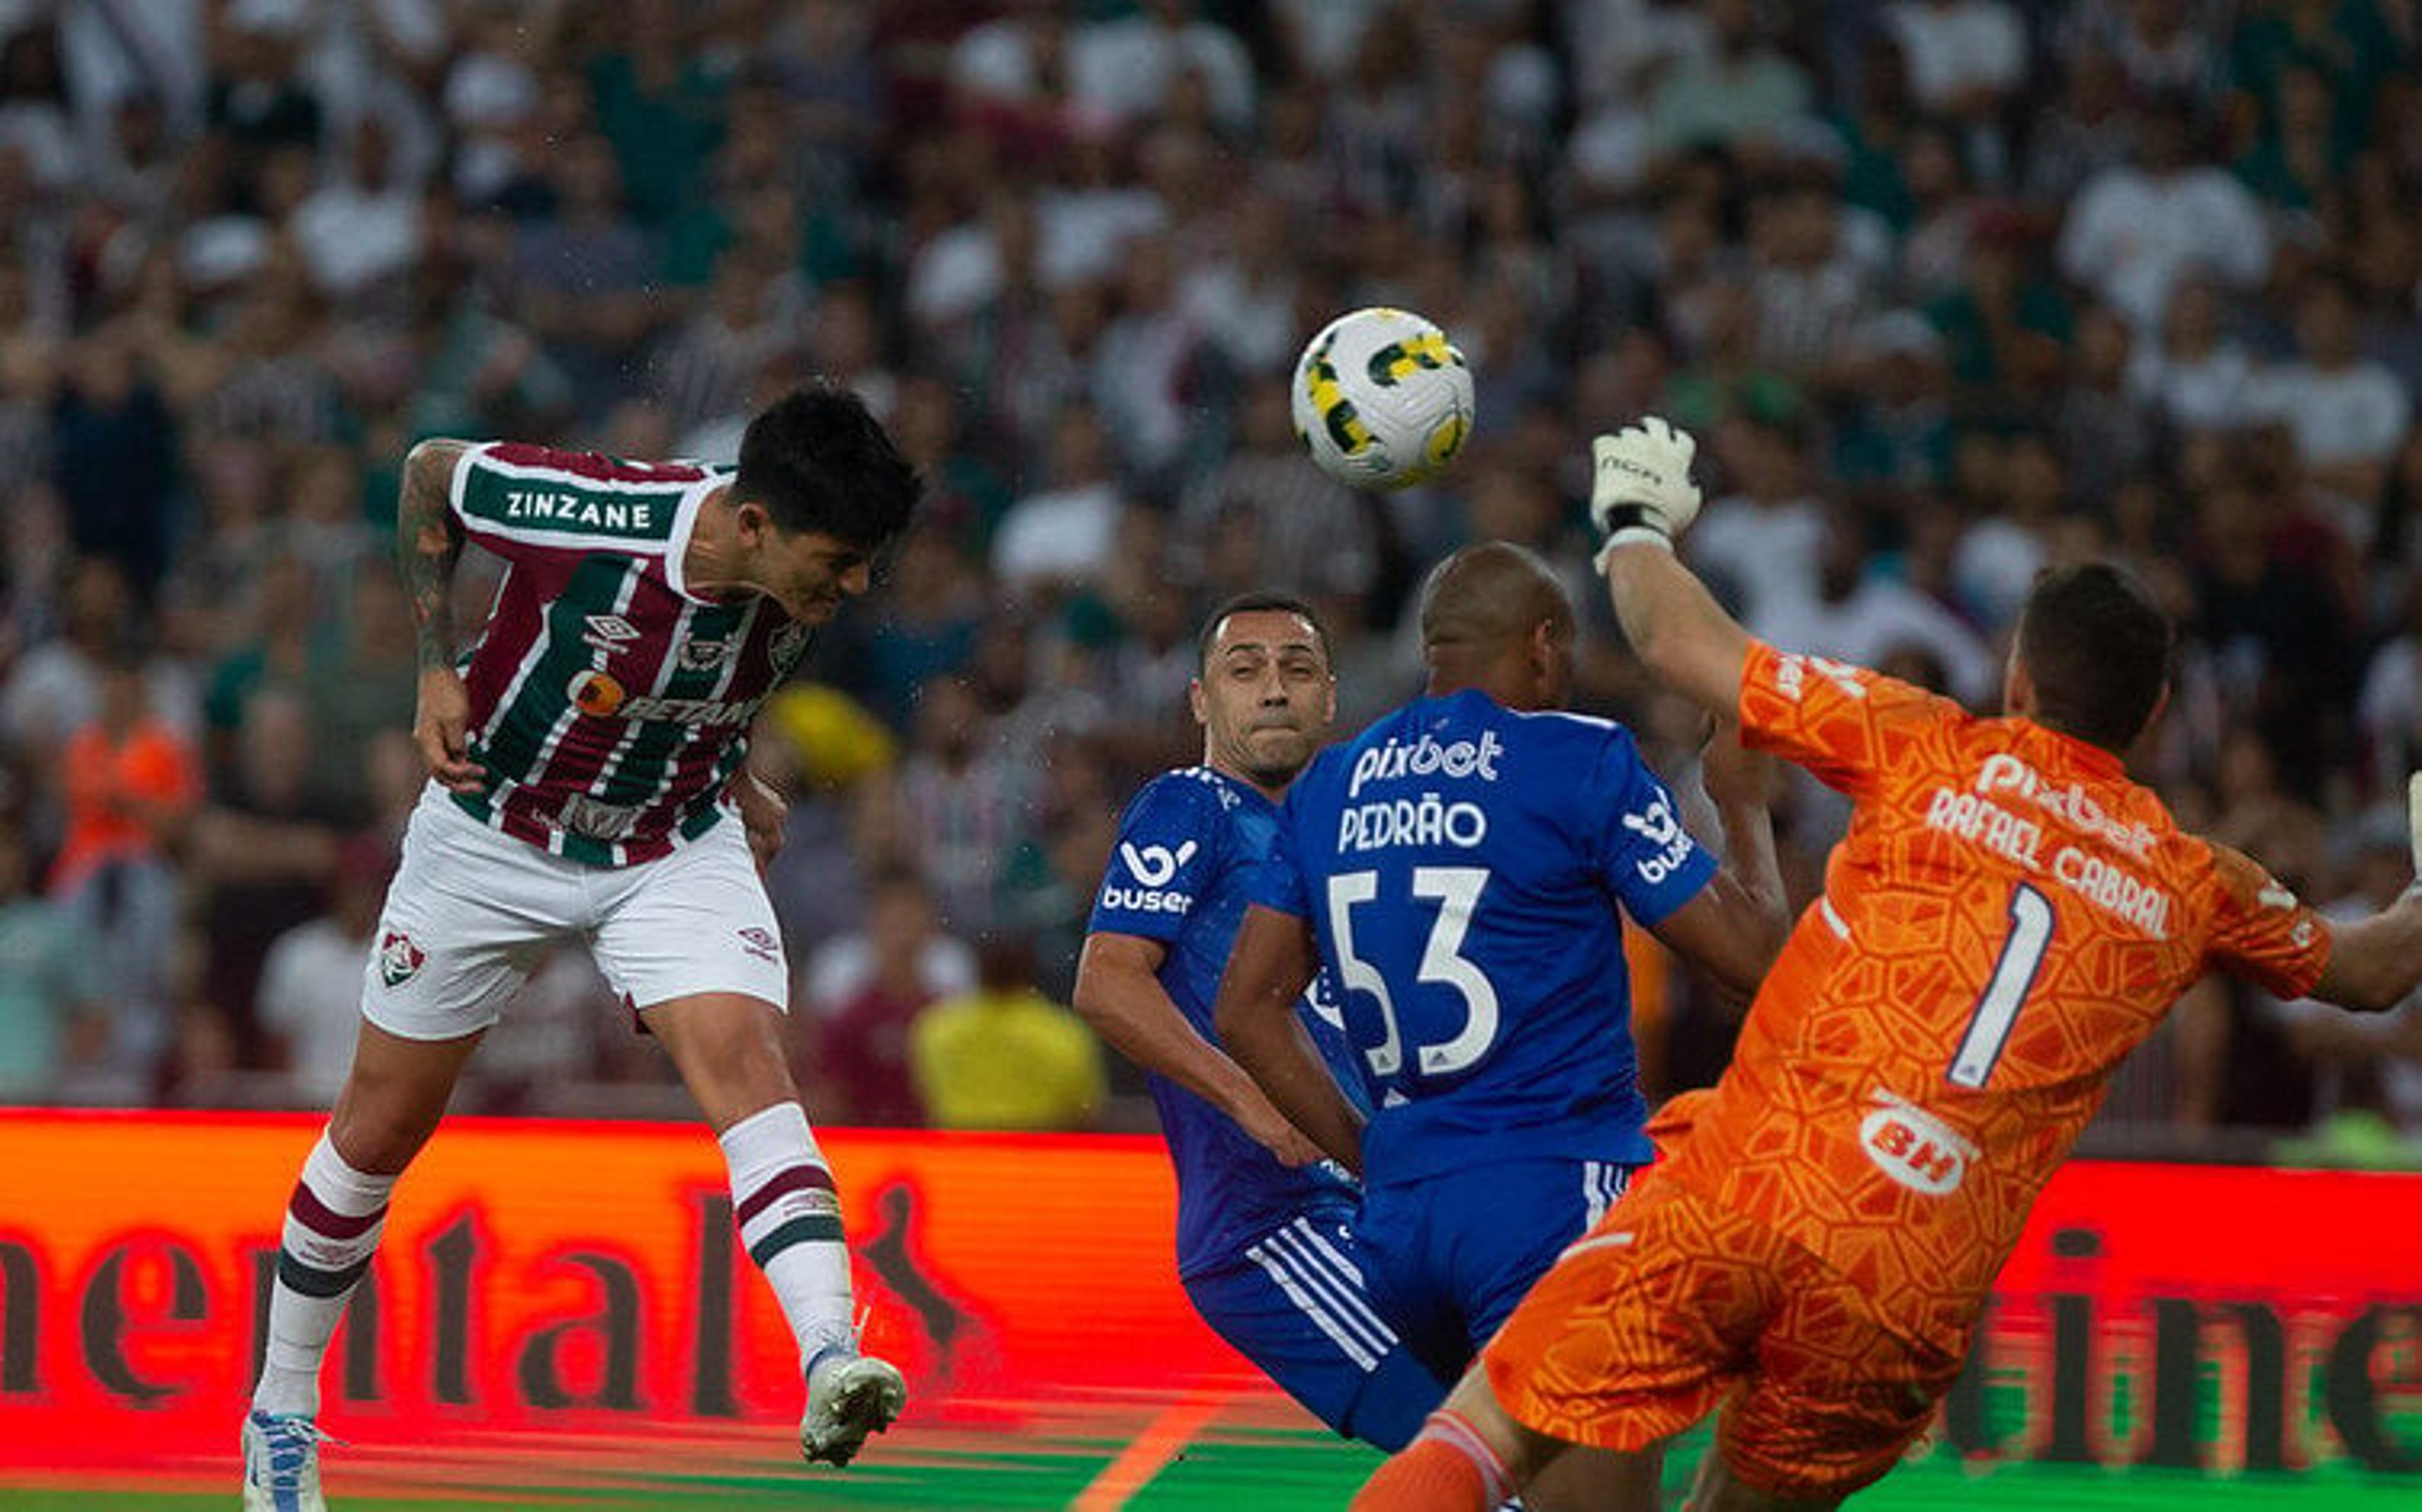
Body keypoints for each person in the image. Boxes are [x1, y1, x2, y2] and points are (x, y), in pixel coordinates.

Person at [1353, 418, 2422, 1511]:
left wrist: (1633, 516)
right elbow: (2376, 969)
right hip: (1907, 1287)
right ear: (2150, 716)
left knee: (1485, 1438)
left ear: (2017, 676)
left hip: (1752, 1188)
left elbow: (1677, 642)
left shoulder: (1925, 743)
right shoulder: (2197, 883)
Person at [240, 385, 924, 1511]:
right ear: (753, 525)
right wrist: (433, 664)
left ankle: (829, 1356)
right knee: (376, 1129)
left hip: (670, 845)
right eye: (837, 561)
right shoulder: (594, 514)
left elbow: (715, 664)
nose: (852, 587)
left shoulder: (792, 574)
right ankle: (281, 1413)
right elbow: (427, 470)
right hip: (491, 831)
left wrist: (731, 761)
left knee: (751, 1063)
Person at [1215, 543, 1789, 1505]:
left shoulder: (1332, 783)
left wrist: (1369, 1151)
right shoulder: (1577, 757)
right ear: (1543, 645)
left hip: (1401, 1234)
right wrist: (1743, 803)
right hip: (1553, 1199)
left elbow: (1246, 1007)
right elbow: (1755, 964)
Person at [1072, 591, 1451, 1452]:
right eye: (1245, 671)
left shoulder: (1342, 841)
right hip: (1275, 1225)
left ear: (1328, 698)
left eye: (1297, 669)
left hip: (1379, 1209)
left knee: (1532, 1435)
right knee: (1468, 1450)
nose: (1273, 689)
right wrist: (1253, 1099)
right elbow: (1108, 980)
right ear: (1203, 702)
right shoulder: (1191, 804)